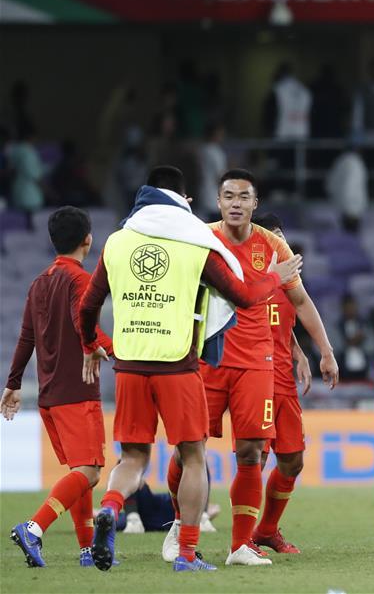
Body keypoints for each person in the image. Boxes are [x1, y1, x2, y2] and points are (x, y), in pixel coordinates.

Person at [78, 165, 301, 573]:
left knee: (132, 458)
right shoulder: (196, 243)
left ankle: (110, 507)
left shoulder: (117, 242)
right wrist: (272, 280)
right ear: (188, 201)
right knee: (194, 456)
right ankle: (186, 553)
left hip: (129, 365)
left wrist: (91, 343)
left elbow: (88, 307)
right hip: (179, 366)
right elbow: (245, 296)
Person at [165, 168, 337, 567]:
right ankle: (178, 524)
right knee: (188, 450)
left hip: (257, 364)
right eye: (229, 196)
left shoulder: (272, 245)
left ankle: (240, 546)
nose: (236, 203)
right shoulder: (200, 238)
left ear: (254, 204)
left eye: (244, 197)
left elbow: (300, 301)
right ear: (219, 201)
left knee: (251, 451)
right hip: (207, 361)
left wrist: (324, 349)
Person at [4, 207, 113, 568]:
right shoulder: (80, 280)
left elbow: (25, 337)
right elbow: (83, 322)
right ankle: (34, 528)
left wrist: (13, 383)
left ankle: (86, 550)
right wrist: (116, 350)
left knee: (79, 473)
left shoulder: (39, 282)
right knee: (91, 471)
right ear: (88, 239)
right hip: (77, 391)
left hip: (50, 394)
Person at [249, 212, 321, 555]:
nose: (279, 247)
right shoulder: (245, 279)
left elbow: (281, 320)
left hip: (285, 381)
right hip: (255, 379)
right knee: (255, 460)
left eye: (281, 237)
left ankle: (266, 530)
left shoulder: (290, 283)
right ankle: (243, 537)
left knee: (293, 460)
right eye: (270, 239)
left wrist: (300, 352)